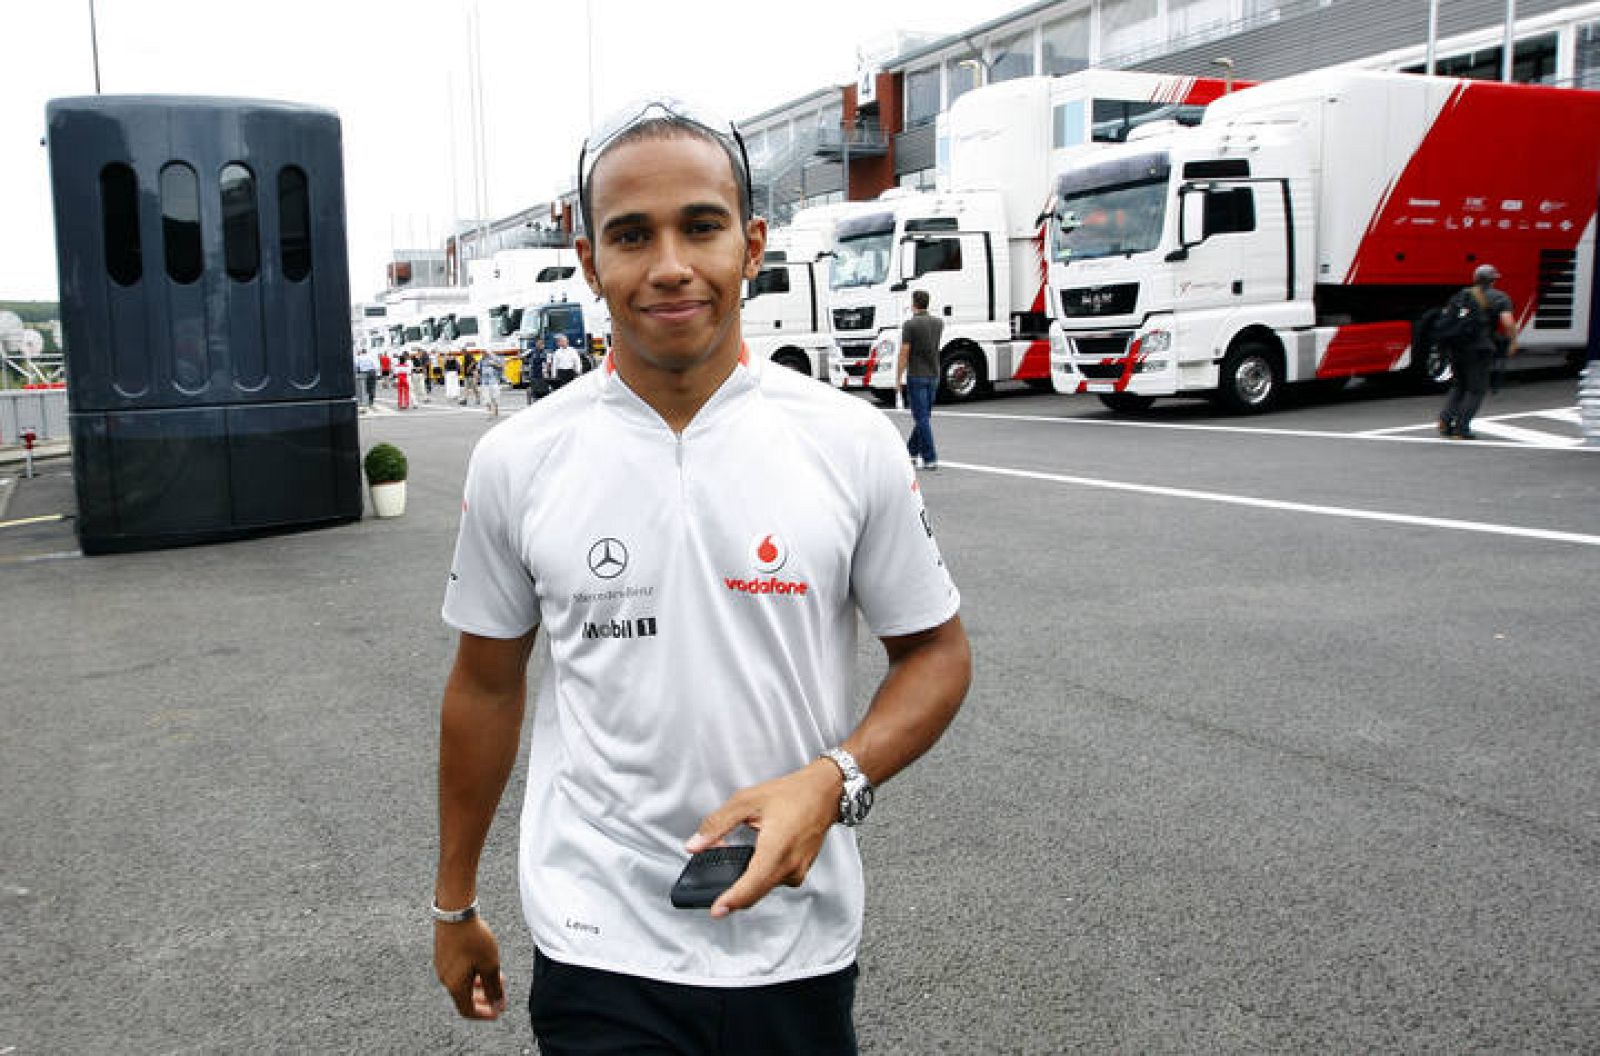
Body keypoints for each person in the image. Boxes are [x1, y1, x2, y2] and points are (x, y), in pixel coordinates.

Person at [432, 97, 971, 1055]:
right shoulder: (520, 460)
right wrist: (452, 903)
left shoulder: (850, 443)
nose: (671, 265)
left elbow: (934, 652)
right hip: (595, 939)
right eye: (632, 235)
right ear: (592, 263)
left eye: (702, 226)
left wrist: (832, 780)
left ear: (752, 244)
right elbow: (483, 683)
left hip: (794, 940)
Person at [1438, 263, 1517, 440]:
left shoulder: (1461, 295)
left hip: (1456, 347)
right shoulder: (1500, 298)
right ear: (1494, 280)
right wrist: (1513, 341)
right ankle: (1461, 428)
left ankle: (1445, 420)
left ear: (1475, 279)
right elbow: (1508, 322)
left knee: (1459, 385)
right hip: (1479, 349)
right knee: (1476, 389)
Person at [896, 289, 944, 470]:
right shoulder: (939, 323)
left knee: (921, 417)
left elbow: (904, 353)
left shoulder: (910, 325)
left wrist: (898, 378)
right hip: (934, 374)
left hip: (916, 375)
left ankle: (930, 457)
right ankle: (910, 452)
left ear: (914, 303)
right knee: (924, 417)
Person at [479, 348, 504, 417]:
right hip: (484, 382)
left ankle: (496, 410)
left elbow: (501, 367)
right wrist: (478, 377)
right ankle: (489, 411)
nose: (482, 354)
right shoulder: (481, 361)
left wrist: (494, 365)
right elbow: (479, 370)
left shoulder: (494, 359)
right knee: (486, 398)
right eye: (482, 352)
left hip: (493, 381)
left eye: (484, 352)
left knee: (495, 397)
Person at [354, 345, 379, 411]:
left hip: (364, 373)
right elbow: (375, 365)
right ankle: (371, 401)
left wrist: (357, 372)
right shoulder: (370, 357)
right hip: (372, 372)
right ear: (366, 352)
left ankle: (365, 400)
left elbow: (356, 366)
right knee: (372, 387)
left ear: (361, 352)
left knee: (364, 387)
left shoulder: (359, 358)